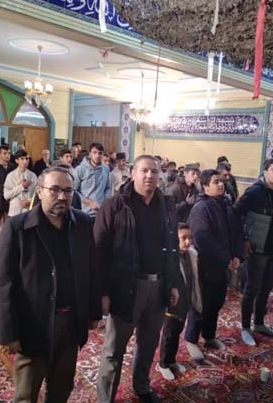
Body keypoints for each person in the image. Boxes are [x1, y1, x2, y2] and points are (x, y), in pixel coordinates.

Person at [0, 166, 101, 403]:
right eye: (54, 190)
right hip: (33, 324)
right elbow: (4, 283)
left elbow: (91, 270)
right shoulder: (17, 227)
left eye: (68, 191)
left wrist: (93, 311)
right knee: (26, 393)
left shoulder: (83, 223)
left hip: (70, 322)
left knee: (61, 389)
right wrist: (8, 332)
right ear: (40, 191)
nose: (62, 196)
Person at [95, 155, 179, 403]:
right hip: (127, 287)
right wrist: (103, 291)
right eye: (144, 171)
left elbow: (172, 246)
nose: (149, 176)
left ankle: (141, 387)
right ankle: (105, 398)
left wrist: (173, 282)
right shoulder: (115, 205)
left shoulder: (166, 205)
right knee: (114, 349)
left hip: (159, 285)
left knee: (149, 342)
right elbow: (99, 252)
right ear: (133, 173)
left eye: (154, 171)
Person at [185, 170, 241, 354]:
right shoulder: (201, 208)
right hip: (206, 264)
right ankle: (192, 339)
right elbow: (202, 239)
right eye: (216, 182)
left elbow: (235, 231)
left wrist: (236, 255)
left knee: (216, 301)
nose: (221, 184)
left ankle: (209, 336)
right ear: (205, 186)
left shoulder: (225, 204)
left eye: (221, 181)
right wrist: (226, 258)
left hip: (222, 264)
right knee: (201, 303)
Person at [233, 159, 273, 345]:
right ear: (265, 171)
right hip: (257, 248)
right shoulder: (255, 191)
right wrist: (244, 238)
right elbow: (235, 213)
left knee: (267, 287)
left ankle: (259, 323)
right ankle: (245, 327)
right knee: (252, 289)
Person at [158, 223, 202, 380]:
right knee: (169, 335)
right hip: (172, 305)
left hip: (185, 302)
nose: (188, 241)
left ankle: (171, 360)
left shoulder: (191, 255)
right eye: (183, 238)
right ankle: (163, 364)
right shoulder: (169, 258)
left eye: (190, 237)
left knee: (177, 333)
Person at [73, 143, 111, 220]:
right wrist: (89, 202)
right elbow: (73, 191)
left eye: (100, 153)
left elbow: (108, 188)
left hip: (101, 212)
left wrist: (105, 201)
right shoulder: (80, 169)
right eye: (94, 152)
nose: (97, 155)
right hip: (85, 213)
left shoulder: (106, 169)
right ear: (90, 154)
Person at [4, 149, 38, 217]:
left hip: (29, 211)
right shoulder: (11, 176)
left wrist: (29, 201)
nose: (25, 161)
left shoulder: (33, 176)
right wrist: (21, 187)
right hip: (15, 212)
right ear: (16, 160)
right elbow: (6, 195)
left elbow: (37, 194)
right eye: (22, 159)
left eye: (27, 159)